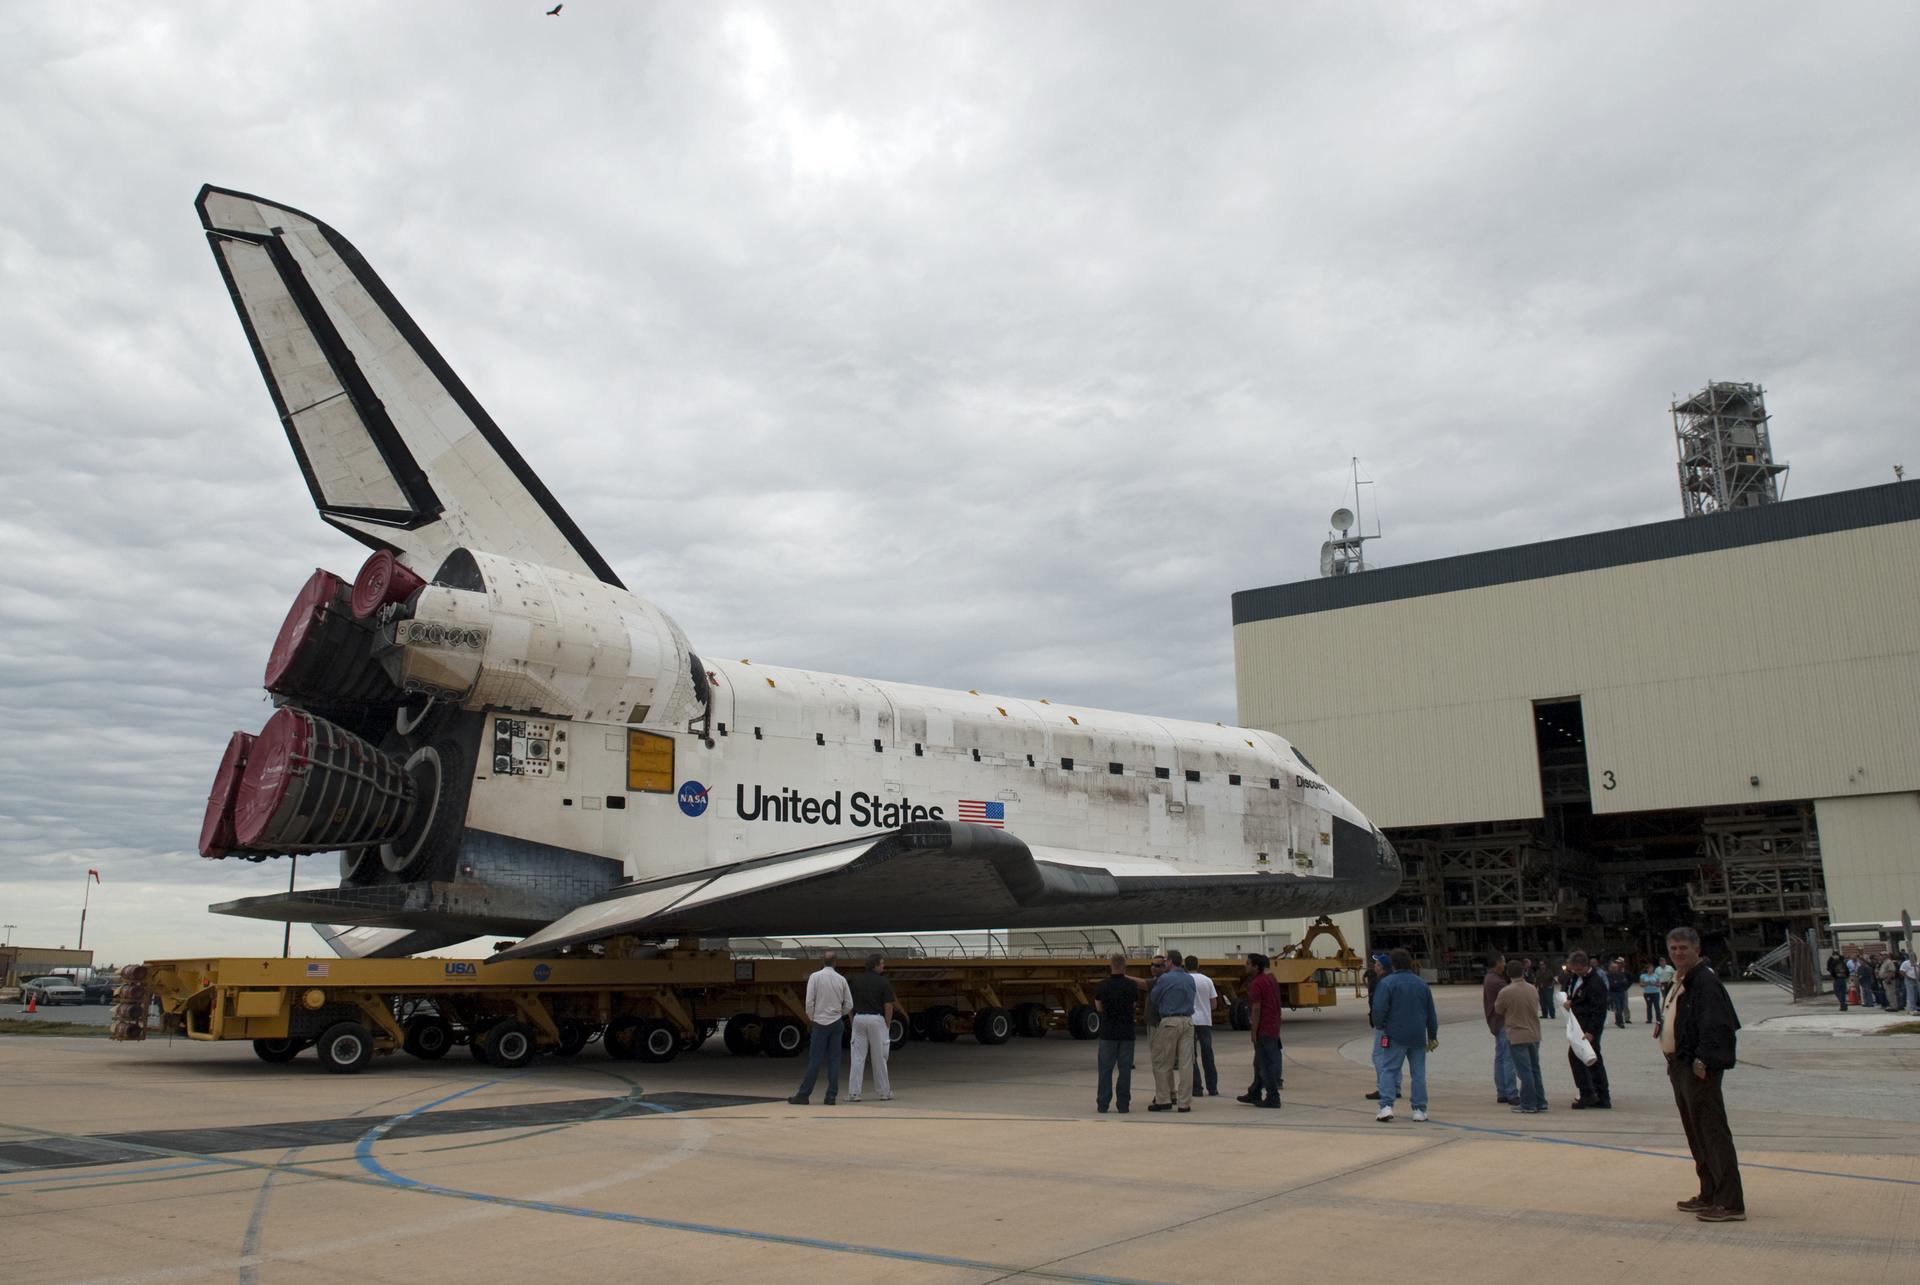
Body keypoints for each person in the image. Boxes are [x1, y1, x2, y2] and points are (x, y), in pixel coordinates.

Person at [1654, 926, 1745, 1222]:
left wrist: (1702, 1061)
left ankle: (1730, 1202)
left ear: (1696, 949)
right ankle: (1710, 1192)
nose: (1678, 953)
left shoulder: (1705, 981)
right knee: (1697, 1133)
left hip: (1697, 1068)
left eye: (1683, 947)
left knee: (1712, 1132)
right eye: (1673, 948)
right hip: (1679, 1065)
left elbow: (1717, 1026)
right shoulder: (1681, 980)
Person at [1371, 948, 1438, 1122]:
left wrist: (1381, 1025)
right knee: (1418, 1074)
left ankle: (1386, 1106)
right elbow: (1431, 1012)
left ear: (1392, 965)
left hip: (1395, 1034)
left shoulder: (1387, 983)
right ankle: (1419, 1109)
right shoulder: (1421, 984)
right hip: (1417, 1035)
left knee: (1389, 1070)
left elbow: (1378, 1009)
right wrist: (1432, 1035)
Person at [787, 950, 853, 1105]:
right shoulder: (841, 979)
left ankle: (804, 1094)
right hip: (836, 1022)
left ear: (822, 962)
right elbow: (849, 1004)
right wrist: (840, 1013)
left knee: (815, 1060)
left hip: (820, 1022)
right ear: (835, 962)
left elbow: (809, 1001)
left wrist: (812, 1018)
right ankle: (831, 1096)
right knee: (834, 1060)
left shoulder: (815, 977)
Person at [1147, 951, 1196, 1112]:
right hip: (1188, 1021)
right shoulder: (1189, 978)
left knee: (1162, 1062)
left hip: (1170, 1021)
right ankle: (1184, 1103)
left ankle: (1163, 1099)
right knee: (1186, 1064)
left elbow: (1154, 998)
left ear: (1170, 962)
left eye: (1166, 960)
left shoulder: (1165, 978)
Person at [1493, 960, 1545, 1113]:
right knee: (1535, 1069)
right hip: (1534, 1033)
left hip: (1517, 1034)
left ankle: (1528, 1103)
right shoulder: (1532, 989)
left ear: (1508, 973)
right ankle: (1540, 1101)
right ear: (1523, 972)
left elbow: (1499, 1009)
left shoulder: (1506, 992)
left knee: (1524, 1071)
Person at [1564, 951, 1612, 1108]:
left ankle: (1591, 1094)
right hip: (1578, 1025)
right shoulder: (1576, 978)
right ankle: (1596, 1094)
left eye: (1578, 969)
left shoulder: (1595, 983)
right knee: (1584, 1059)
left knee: (1588, 1059)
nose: (1576, 972)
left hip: (1588, 1028)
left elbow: (1599, 1010)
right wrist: (1570, 1002)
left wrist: (1591, 1031)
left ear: (1586, 966)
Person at [1092, 952, 1138, 1114]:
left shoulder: (1102, 985)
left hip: (1108, 1032)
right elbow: (1133, 1005)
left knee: (1105, 1069)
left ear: (1110, 966)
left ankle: (1103, 1103)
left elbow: (1099, 1007)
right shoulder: (1131, 985)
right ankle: (1123, 1104)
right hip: (1127, 1032)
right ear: (1124, 966)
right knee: (1125, 1070)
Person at [846, 954, 895, 1102]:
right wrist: (887, 1024)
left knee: (857, 1057)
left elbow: (849, 1004)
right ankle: (884, 1092)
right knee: (879, 1057)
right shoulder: (883, 982)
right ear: (876, 965)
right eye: (882, 964)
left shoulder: (856, 980)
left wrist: (852, 1019)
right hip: (876, 1020)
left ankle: (854, 1093)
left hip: (858, 1019)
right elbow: (888, 1005)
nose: (883, 966)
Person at [1237, 952, 1282, 1108]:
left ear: (1256, 967)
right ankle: (1255, 1092)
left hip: (1265, 1028)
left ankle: (1273, 1097)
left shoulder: (1256, 983)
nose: (1245, 966)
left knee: (1264, 1064)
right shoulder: (1270, 979)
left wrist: (1254, 1031)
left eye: (1248, 963)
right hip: (1273, 1025)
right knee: (1259, 1063)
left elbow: (1256, 1009)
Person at [1482, 951, 1518, 1105]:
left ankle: (1502, 1091)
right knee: (1508, 1058)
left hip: (1497, 1022)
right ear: (1497, 963)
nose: (1505, 964)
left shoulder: (1490, 978)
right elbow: (1513, 995)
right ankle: (1511, 1092)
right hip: (1503, 1022)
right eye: (1503, 961)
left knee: (1501, 1057)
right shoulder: (1496, 981)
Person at [1185, 955, 1220, 1098]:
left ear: (1185, 966)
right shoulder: (1207, 980)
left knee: (1191, 1055)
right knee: (1208, 1054)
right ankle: (1212, 1087)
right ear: (1198, 965)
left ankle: (1197, 1088)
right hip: (1205, 1021)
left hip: (1190, 1020)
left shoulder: (1185, 980)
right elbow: (1214, 1004)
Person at [1363, 953, 1391, 1101]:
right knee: (1391, 1056)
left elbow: (1378, 1005)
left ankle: (1383, 1087)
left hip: (1384, 1027)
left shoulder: (1380, 983)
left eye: (1376, 963)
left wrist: (1377, 1022)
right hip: (1394, 1025)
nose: (1374, 966)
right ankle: (1395, 1086)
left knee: (1379, 1055)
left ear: (1381, 967)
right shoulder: (1392, 979)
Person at [1607, 958, 1633, 1027]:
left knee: (1622, 1006)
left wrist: (1618, 983)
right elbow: (1611, 984)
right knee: (1617, 1007)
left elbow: (1626, 982)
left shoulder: (1622, 973)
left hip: (1622, 992)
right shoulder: (1609, 975)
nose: (1615, 968)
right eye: (1614, 967)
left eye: (1616, 967)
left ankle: (1621, 1019)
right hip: (1614, 993)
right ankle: (1620, 1022)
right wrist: (1619, 983)